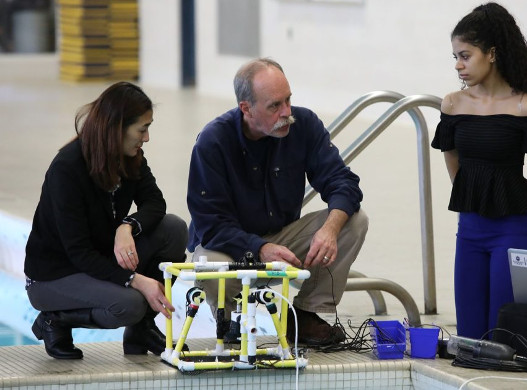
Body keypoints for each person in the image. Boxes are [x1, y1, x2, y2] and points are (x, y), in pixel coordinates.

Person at [187, 58, 368, 346]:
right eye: (274, 106)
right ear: (246, 108)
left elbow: (342, 181)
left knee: (353, 220)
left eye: (288, 101)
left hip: (283, 239)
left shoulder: (304, 124)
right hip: (230, 248)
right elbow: (211, 225)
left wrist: (330, 229)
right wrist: (260, 247)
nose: (286, 113)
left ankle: (306, 315)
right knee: (209, 265)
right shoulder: (213, 142)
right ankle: (230, 317)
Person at [24, 81, 188, 359]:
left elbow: (154, 202)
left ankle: (140, 331)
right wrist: (135, 279)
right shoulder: (67, 169)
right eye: (142, 129)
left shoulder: (130, 157)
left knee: (173, 228)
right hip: (55, 276)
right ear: (117, 128)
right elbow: (78, 252)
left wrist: (127, 226)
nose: (146, 138)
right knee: (130, 304)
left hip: (97, 259)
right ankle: (56, 320)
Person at [431, 2, 527, 339]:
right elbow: (454, 162)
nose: (459, 65)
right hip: (471, 230)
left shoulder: (526, 106)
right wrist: (474, 197)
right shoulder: (453, 105)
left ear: (491, 54)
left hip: (514, 230)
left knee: (502, 336)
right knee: (470, 336)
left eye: (466, 55)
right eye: (455, 57)